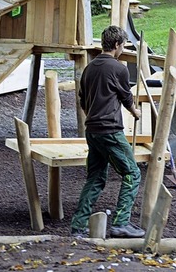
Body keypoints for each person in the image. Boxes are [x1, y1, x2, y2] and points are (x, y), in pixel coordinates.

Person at [70, 25, 145, 239]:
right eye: (122, 45)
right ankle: (121, 222)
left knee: (95, 178)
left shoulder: (90, 68)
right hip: (110, 130)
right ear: (116, 45)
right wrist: (135, 112)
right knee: (132, 173)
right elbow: (126, 97)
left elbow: (83, 100)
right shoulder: (118, 68)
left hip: (92, 130)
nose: (122, 49)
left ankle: (78, 226)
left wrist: (93, 115)